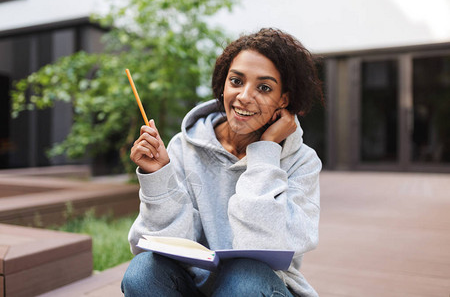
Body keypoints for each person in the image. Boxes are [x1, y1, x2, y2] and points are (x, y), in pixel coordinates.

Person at [121, 28, 323, 297]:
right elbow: (161, 244)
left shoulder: (302, 161)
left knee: (244, 277)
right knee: (143, 271)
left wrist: (265, 152)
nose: (244, 96)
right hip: (197, 284)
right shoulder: (183, 146)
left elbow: (262, 247)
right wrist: (159, 178)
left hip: (259, 287)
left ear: (283, 100)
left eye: (264, 87)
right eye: (236, 81)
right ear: (223, 84)